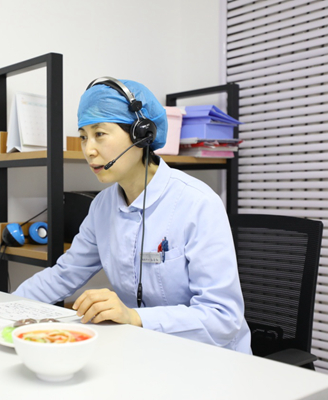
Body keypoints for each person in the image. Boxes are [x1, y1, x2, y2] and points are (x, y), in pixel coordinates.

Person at [13, 77, 251, 353]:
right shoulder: (102, 207)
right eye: (83, 136)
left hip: (209, 359)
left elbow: (223, 318)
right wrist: (5, 308)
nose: (89, 150)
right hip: (143, 351)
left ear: (141, 135)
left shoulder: (198, 204)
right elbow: (64, 275)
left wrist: (134, 317)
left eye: (100, 134)